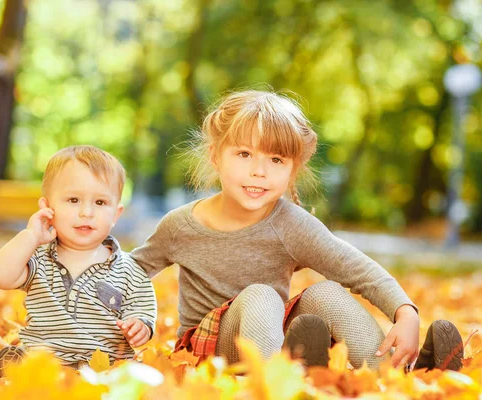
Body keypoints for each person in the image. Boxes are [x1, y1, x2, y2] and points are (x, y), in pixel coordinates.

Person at [130, 90, 464, 371]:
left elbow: (353, 267)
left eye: (276, 160)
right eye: (244, 154)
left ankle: (395, 373)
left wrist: (404, 311)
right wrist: (124, 317)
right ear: (216, 156)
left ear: (293, 170)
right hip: (208, 354)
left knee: (326, 292)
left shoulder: (290, 223)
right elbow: (127, 272)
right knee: (261, 294)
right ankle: (276, 382)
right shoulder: (180, 225)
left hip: (268, 337)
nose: (259, 171)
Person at [0, 145, 157, 374]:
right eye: (73, 200)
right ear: (48, 208)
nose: (86, 212)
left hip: (100, 368)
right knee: (9, 361)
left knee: (136, 377)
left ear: (116, 214)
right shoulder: (38, 256)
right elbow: (0, 276)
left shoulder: (129, 270)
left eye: (100, 203)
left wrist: (140, 326)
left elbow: (143, 311)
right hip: (42, 363)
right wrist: (30, 236)